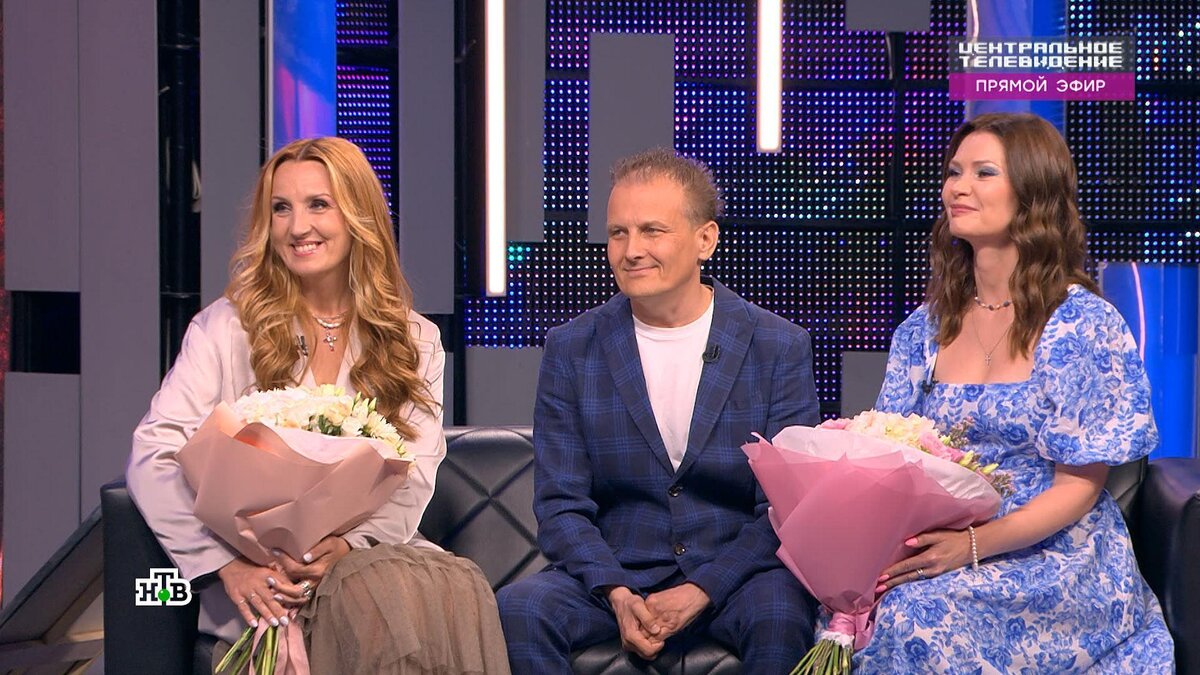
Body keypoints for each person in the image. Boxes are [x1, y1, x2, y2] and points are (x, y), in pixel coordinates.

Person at [127, 137, 510, 674]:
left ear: (358, 217)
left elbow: (415, 473)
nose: (297, 226)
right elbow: (154, 452)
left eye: (318, 205)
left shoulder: (414, 339)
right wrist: (224, 565)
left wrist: (348, 545)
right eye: (281, 208)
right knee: (376, 601)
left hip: (370, 559)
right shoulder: (226, 327)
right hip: (258, 580)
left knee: (449, 587)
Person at [861, 113, 1173, 672]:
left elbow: (1079, 486)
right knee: (866, 607)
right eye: (954, 172)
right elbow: (892, 460)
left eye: (984, 173)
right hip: (944, 541)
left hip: (1054, 555)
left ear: (1033, 193)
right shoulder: (921, 330)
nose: (959, 187)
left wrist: (972, 545)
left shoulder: (1082, 325)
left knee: (917, 617)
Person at [497, 148, 819, 674]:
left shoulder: (777, 345)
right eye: (618, 233)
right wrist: (617, 592)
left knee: (781, 613)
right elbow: (560, 504)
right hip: (617, 571)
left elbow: (787, 508)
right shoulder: (572, 347)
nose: (631, 251)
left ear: (705, 240)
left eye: (652, 231)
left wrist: (703, 588)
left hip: (736, 575)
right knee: (520, 609)